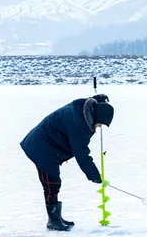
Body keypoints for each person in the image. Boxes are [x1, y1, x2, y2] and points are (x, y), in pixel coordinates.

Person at [19, 94, 114, 231]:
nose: (99, 127)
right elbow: (81, 153)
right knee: (52, 183)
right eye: (100, 123)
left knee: (53, 182)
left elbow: (93, 103)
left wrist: (99, 99)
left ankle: (56, 217)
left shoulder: (85, 109)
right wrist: (94, 175)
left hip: (49, 144)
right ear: (96, 117)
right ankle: (53, 221)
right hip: (41, 147)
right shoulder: (78, 123)